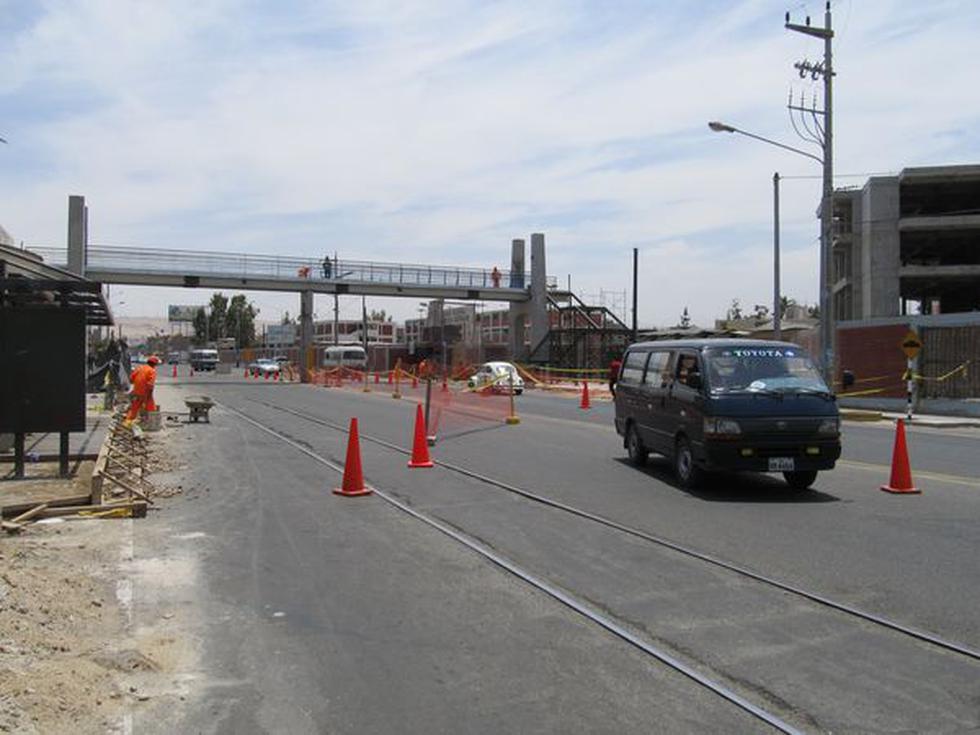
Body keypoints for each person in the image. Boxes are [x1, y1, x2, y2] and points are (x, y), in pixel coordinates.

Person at [124, 355, 159, 428]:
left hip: (136, 391)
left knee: (134, 407)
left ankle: (127, 422)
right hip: (145, 392)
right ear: (154, 364)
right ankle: (150, 423)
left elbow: (131, 379)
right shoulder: (152, 370)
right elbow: (150, 384)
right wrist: (149, 395)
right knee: (151, 407)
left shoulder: (140, 368)